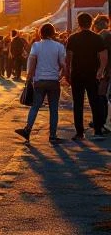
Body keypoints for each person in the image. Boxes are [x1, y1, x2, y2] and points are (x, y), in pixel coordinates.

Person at [16, 23, 67, 143]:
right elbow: (64, 65)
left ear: (40, 33)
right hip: (53, 81)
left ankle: (27, 130)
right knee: (54, 109)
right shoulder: (59, 46)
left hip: (40, 81)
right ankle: (53, 136)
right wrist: (60, 76)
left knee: (35, 106)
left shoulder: (36, 46)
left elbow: (32, 63)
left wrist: (29, 77)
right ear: (53, 33)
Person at [64, 12, 108, 141]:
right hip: (92, 74)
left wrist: (67, 73)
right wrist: (100, 70)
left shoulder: (73, 38)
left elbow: (68, 58)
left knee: (78, 103)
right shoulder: (97, 38)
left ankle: (79, 132)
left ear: (79, 23)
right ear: (90, 23)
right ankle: (98, 130)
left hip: (77, 74)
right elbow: (104, 56)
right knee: (95, 102)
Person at [93, 14, 111, 135]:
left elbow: (100, 56)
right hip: (106, 70)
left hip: (104, 71)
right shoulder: (105, 35)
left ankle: (101, 121)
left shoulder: (102, 36)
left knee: (101, 96)